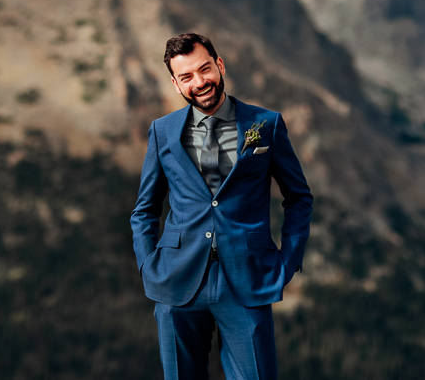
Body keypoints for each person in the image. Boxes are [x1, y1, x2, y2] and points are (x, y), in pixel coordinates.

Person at [131, 33, 313, 380]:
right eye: (187, 77)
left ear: (220, 65)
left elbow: (299, 197)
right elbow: (144, 209)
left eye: (205, 69)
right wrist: (148, 265)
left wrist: (287, 261)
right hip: (177, 281)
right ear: (175, 83)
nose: (199, 82)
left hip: (247, 279)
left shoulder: (266, 124)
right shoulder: (162, 131)